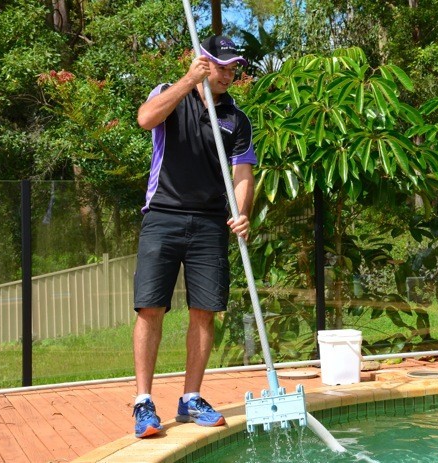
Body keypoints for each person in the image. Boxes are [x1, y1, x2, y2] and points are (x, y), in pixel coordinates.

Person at [131, 35, 256, 438]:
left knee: (205, 312)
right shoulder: (170, 94)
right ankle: (143, 403)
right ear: (201, 62)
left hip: (209, 223)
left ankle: (190, 399)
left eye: (232, 67)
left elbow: (242, 175)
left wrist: (242, 214)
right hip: (163, 215)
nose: (227, 73)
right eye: (220, 65)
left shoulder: (237, 118)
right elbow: (146, 119)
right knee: (150, 308)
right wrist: (187, 82)